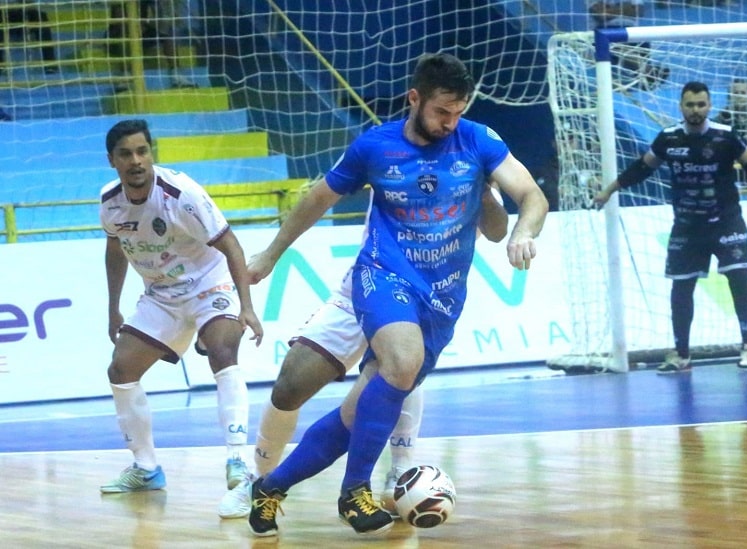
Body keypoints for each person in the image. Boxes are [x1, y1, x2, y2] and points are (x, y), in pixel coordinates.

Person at [244, 52, 548, 537]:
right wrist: (269, 254)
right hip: (384, 275)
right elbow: (318, 198)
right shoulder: (375, 147)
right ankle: (355, 491)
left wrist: (519, 231)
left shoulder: (478, 141)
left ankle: (272, 487)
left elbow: (529, 199)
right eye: (441, 112)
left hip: (442, 299)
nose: (450, 123)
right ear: (415, 99)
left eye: (458, 113)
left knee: (358, 413)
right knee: (396, 363)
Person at [214, 182, 510, 520]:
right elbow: (329, 188)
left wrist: (507, 216)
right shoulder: (388, 150)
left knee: (393, 376)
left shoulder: (470, 159)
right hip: (363, 287)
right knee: (290, 387)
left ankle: (397, 472)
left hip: (422, 301)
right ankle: (260, 479)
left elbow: (499, 226)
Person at [98, 119, 263, 494]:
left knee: (222, 348)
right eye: (126, 154)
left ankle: (238, 461)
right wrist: (113, 308)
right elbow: (114, 251)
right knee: (121, 368)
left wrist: (248, 307)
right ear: (112, 161)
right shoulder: (110, 202)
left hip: (209, 283)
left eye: (142, 151)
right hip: (162, 293)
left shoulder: (180, 193)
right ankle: (146, 467)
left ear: (151, 153)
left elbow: (232, 246)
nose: (136, 160)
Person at [594, 81, 747, 374]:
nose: (695, 110)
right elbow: (642, 168)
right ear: (681, 106)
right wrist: (609, 190)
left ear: (709, 106)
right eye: (690, 105)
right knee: (681, 288)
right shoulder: (668, 139)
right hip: (687, 226)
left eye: (701, 104)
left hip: (727, 221)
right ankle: (682, 355)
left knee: (739, 279)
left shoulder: (725, 136)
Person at [107, 1, 197, 89]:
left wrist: (146, 24)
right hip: (120, 31)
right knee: (124, 29)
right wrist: (135, 26)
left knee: (168, 28)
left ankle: (177, 74)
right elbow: (118, 20)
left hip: (143, 28)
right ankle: (125, 75)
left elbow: (159, 16)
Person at [588, 0, 668, 91]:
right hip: (604, 32)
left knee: (642, 42)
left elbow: (638, 11)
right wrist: (627, 8)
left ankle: (644, 72)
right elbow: (601, 14)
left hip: (632, 31)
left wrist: (611, 10)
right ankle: (646, 70)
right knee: (615, 46)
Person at [0, 5, 58, 74]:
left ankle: (50, 65)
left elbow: (30, 4)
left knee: (41, 17)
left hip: (23, 12)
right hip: (3, 13)